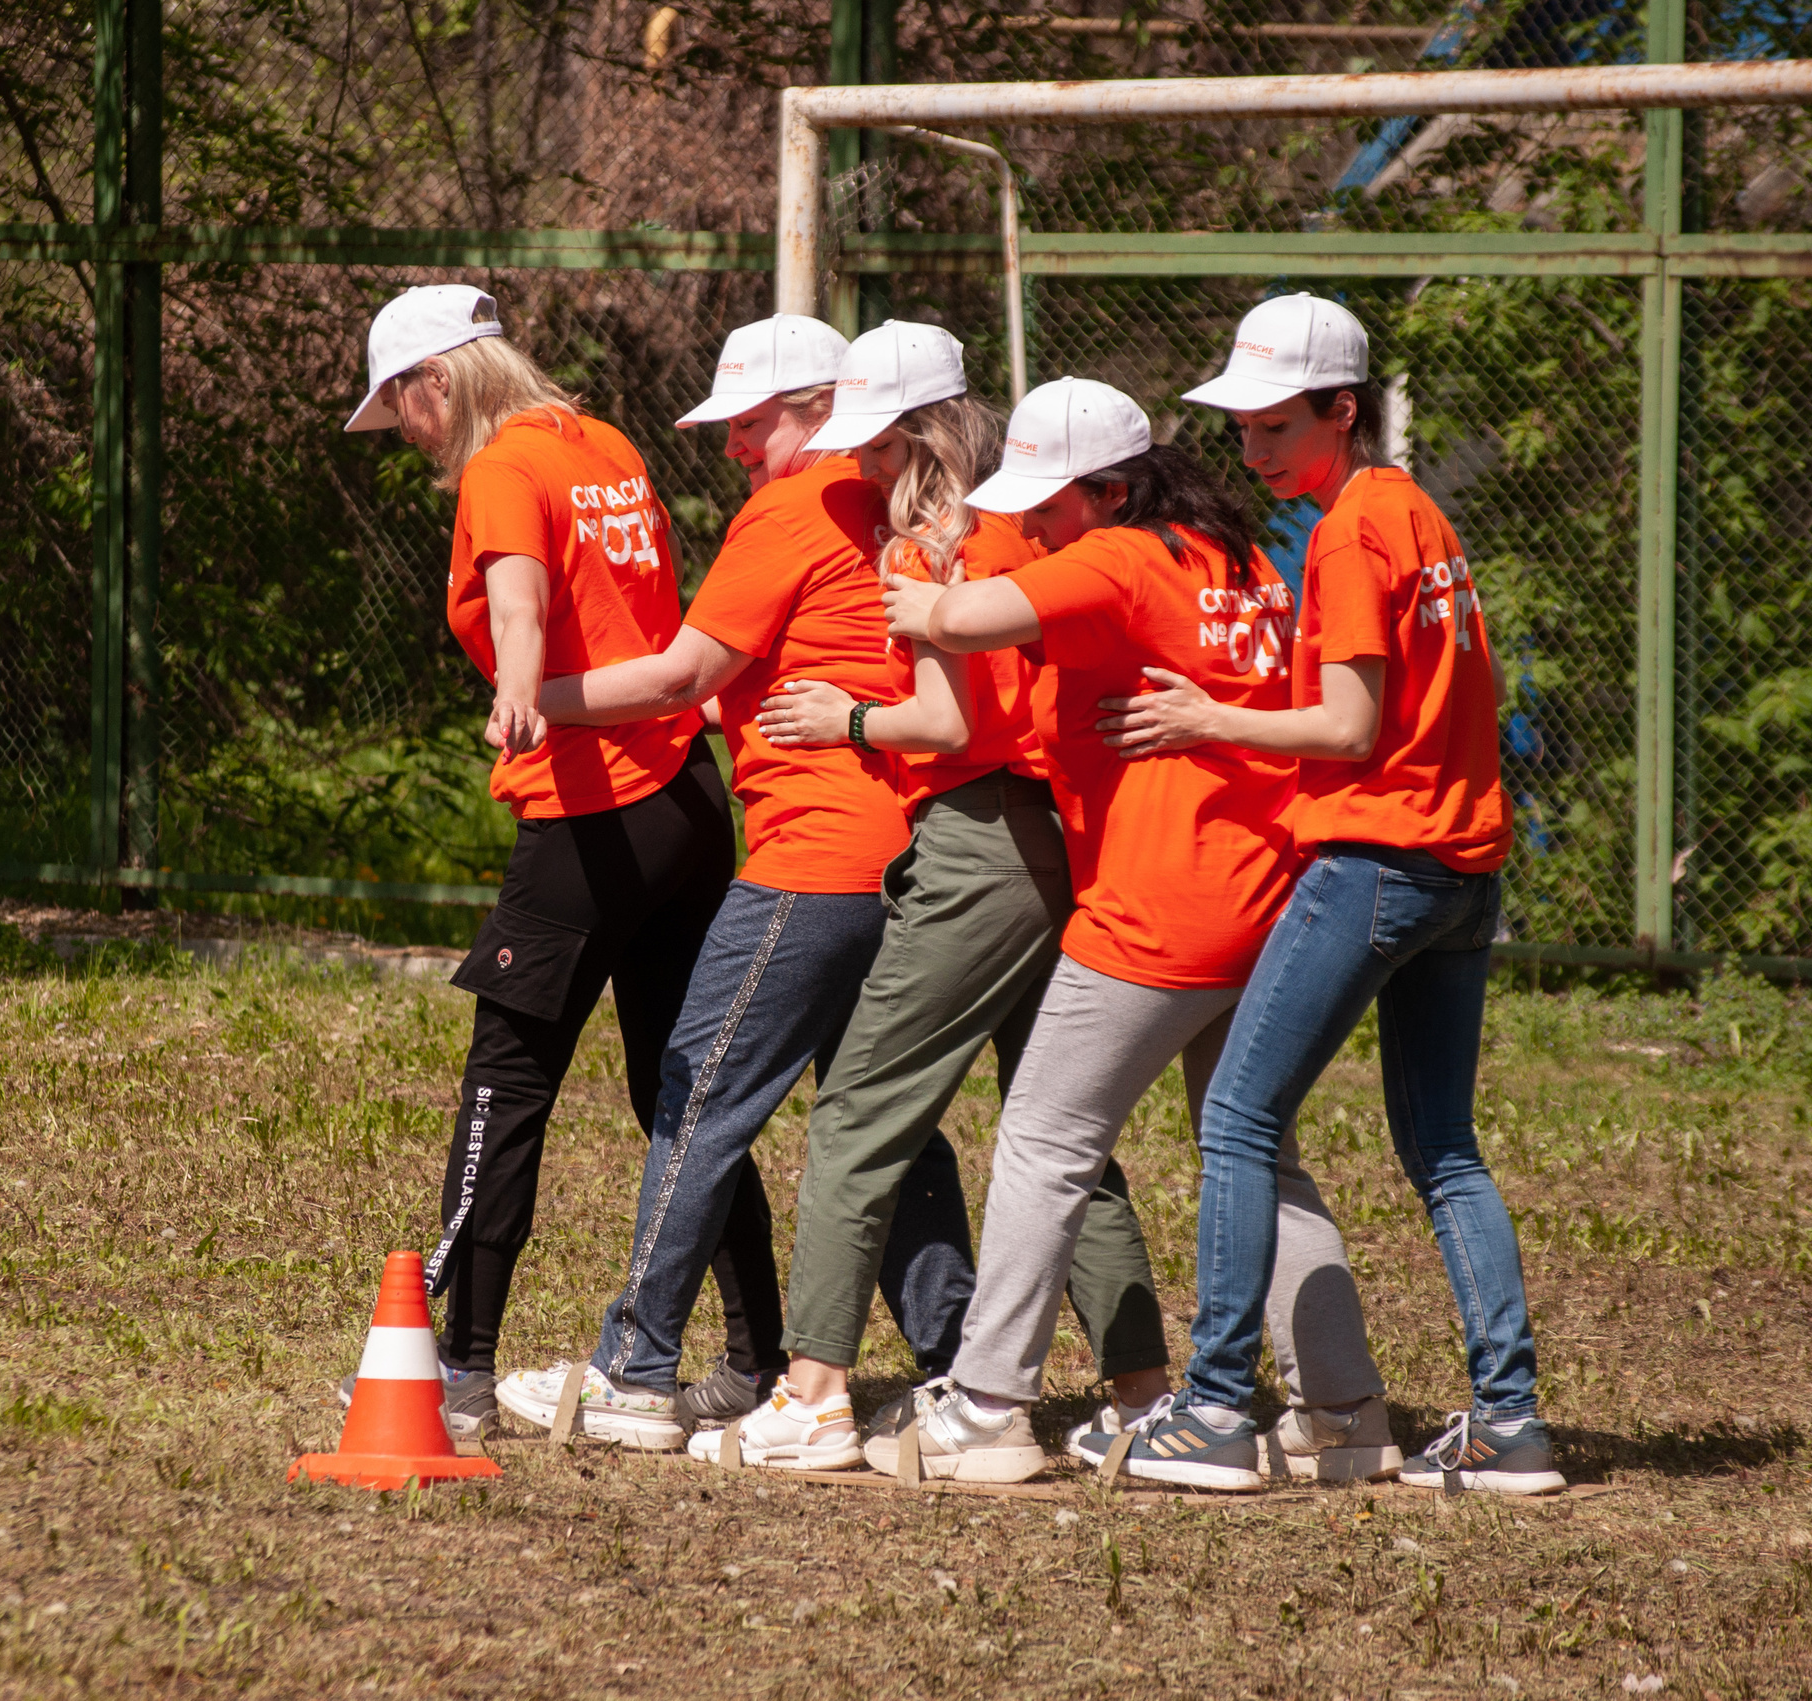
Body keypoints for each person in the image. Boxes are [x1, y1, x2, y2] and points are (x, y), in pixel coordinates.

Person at [877, 377, 1402, 1487]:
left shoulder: (1116, 555)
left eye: (1047, 505)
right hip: (1265, 900)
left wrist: (923, 568)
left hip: (1156, 911)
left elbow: (953, 619)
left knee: (1042, 1142)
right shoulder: (1237, 559)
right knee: (1254, 1152)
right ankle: (1344, 1414)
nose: (1029, 524)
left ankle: (984, 1406)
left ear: (1110, 490)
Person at [683, 324, 1180, 1473]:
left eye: (864, 446)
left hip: (974, 845)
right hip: (1067, 838)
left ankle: (808, 1395)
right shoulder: (1041, 521)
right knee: (1062, 1128)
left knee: (858, 1110)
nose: (848, 469)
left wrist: (845, 720)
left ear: (912, 439)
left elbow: (949, 726)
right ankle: (1143, 1393)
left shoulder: (925, 546)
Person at [490, 315, 980, 1450]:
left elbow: (679, 677)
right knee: (886, 1120)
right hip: (902, 852)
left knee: (696, 1096)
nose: (731, 447)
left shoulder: (792, 509)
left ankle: (632, 1371)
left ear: (822, 407)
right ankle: (957, 1372)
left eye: (751, 421)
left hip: (811, 859)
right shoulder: (889, 503)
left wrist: (534, 701)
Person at [1100, 293, 1561, 1495]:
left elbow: (1350, 725)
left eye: (1270, 424)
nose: (1247, 446)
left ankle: (1209, 1412)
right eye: (1238, 424)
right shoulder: (1414, 510)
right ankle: (1508, 1423)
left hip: (1376, 862)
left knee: (1237, 1122)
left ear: (1339, 411)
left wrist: (1205, 717)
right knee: (1444, 1152)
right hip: (1464, 869)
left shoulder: (1355, 530)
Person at [340, 283, 776, 1440]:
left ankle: (462, 1371)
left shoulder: (499, 470)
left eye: (402, 407)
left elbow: (520, 602)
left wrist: (520, 690)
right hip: (687, 798)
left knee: (506, 1081)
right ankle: (755, 1357)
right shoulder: (605, 444)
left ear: (438, 378)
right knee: (678, 1087)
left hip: (591, 815)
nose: (409, 436)